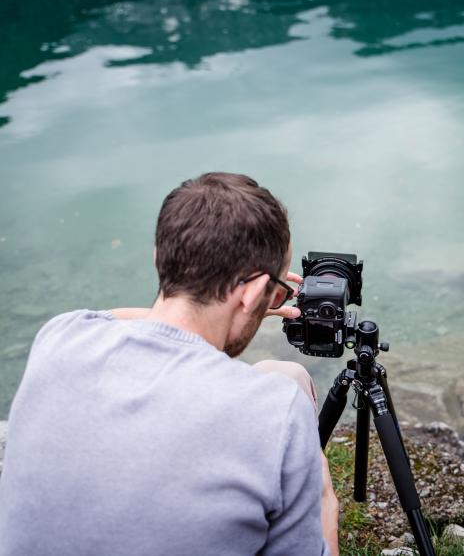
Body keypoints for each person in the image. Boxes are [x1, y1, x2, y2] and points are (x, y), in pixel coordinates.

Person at [0, 172, 339, 556]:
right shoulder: (276, 412)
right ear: (256, 292)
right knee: (286, 375)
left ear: (158, 256)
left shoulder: (58, 337)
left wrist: (248, 300)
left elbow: (110, 318)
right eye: (275, 291)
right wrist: (325, 500)